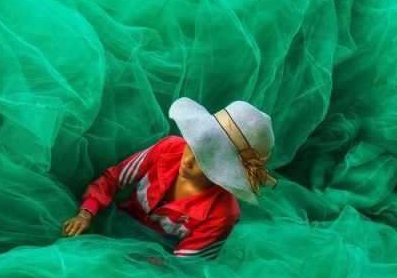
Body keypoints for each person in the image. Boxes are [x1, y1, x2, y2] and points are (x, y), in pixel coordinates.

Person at [63, 98, 276, 260]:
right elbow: (114, 178)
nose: (188, 160)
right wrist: (86, 212)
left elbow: (184, 264)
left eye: (205, 161)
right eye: (193, 144)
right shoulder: (169, 148)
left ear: (224, 172)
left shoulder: (222, 214)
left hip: (155, 260)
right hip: (111, 224)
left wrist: (142, 265)